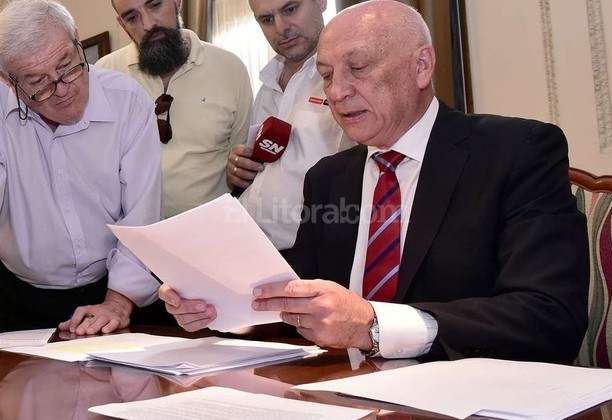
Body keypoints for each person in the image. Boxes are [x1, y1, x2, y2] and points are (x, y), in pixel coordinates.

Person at [161, 0, 589, 364]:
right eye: (327, 75)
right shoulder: (327, 179)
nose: (337, 92)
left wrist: (374, 325)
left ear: (421, 66)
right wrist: (218, 310)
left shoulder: (516, 152)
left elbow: (550, 318)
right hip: (343, 394)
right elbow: (296, 309)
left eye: (359, 68)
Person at [0, 0, 162, 334]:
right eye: (37, 81)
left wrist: (118, 302)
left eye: (67, 65)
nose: (62, 89)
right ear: (9, 81)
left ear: (76, 39)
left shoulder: (127, 100)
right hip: (15, 293)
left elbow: (141, 214)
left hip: (112, 287)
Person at [97, 0, 253, 218]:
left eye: (155, 5)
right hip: (136, 231)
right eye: (132, 17)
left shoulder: (231, 69)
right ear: (122, 25)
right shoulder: (104, 76)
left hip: (215, 225)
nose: (148, 24)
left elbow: (241, 160)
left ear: (177, 1)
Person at [227, 0, 352, 252]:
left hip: (314, 254)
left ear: (321, 2)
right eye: (267, 20)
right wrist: (237, 171)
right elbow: (267, 168)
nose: (280, 28)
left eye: (290, 9)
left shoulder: (349, 77)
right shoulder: (267, 83)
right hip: (248, 246)